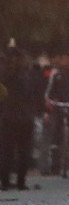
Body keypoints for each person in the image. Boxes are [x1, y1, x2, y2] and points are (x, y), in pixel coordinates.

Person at [1, 49, 35, 191]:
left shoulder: (6, 75)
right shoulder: (26, 75)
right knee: (20, 151)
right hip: (21, 117)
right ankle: (18, 181)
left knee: (9, 151)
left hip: (11, 117)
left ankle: (7, 181)